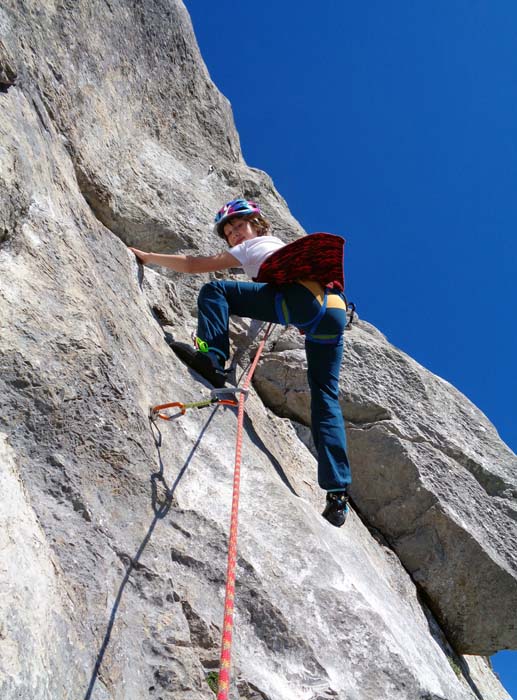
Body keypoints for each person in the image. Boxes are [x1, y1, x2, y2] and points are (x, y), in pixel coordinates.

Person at [129, 198, 351, 527]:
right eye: (230, 232)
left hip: (298, 303)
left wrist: (146, 256)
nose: (235, 235)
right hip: (332, 311)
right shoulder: (275, 246)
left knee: (215, 291)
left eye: (240, 226)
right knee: (324, 396)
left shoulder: (250, 248)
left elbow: (193, 265)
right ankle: (338, 492)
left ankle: (212, 357)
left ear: (257, 226)